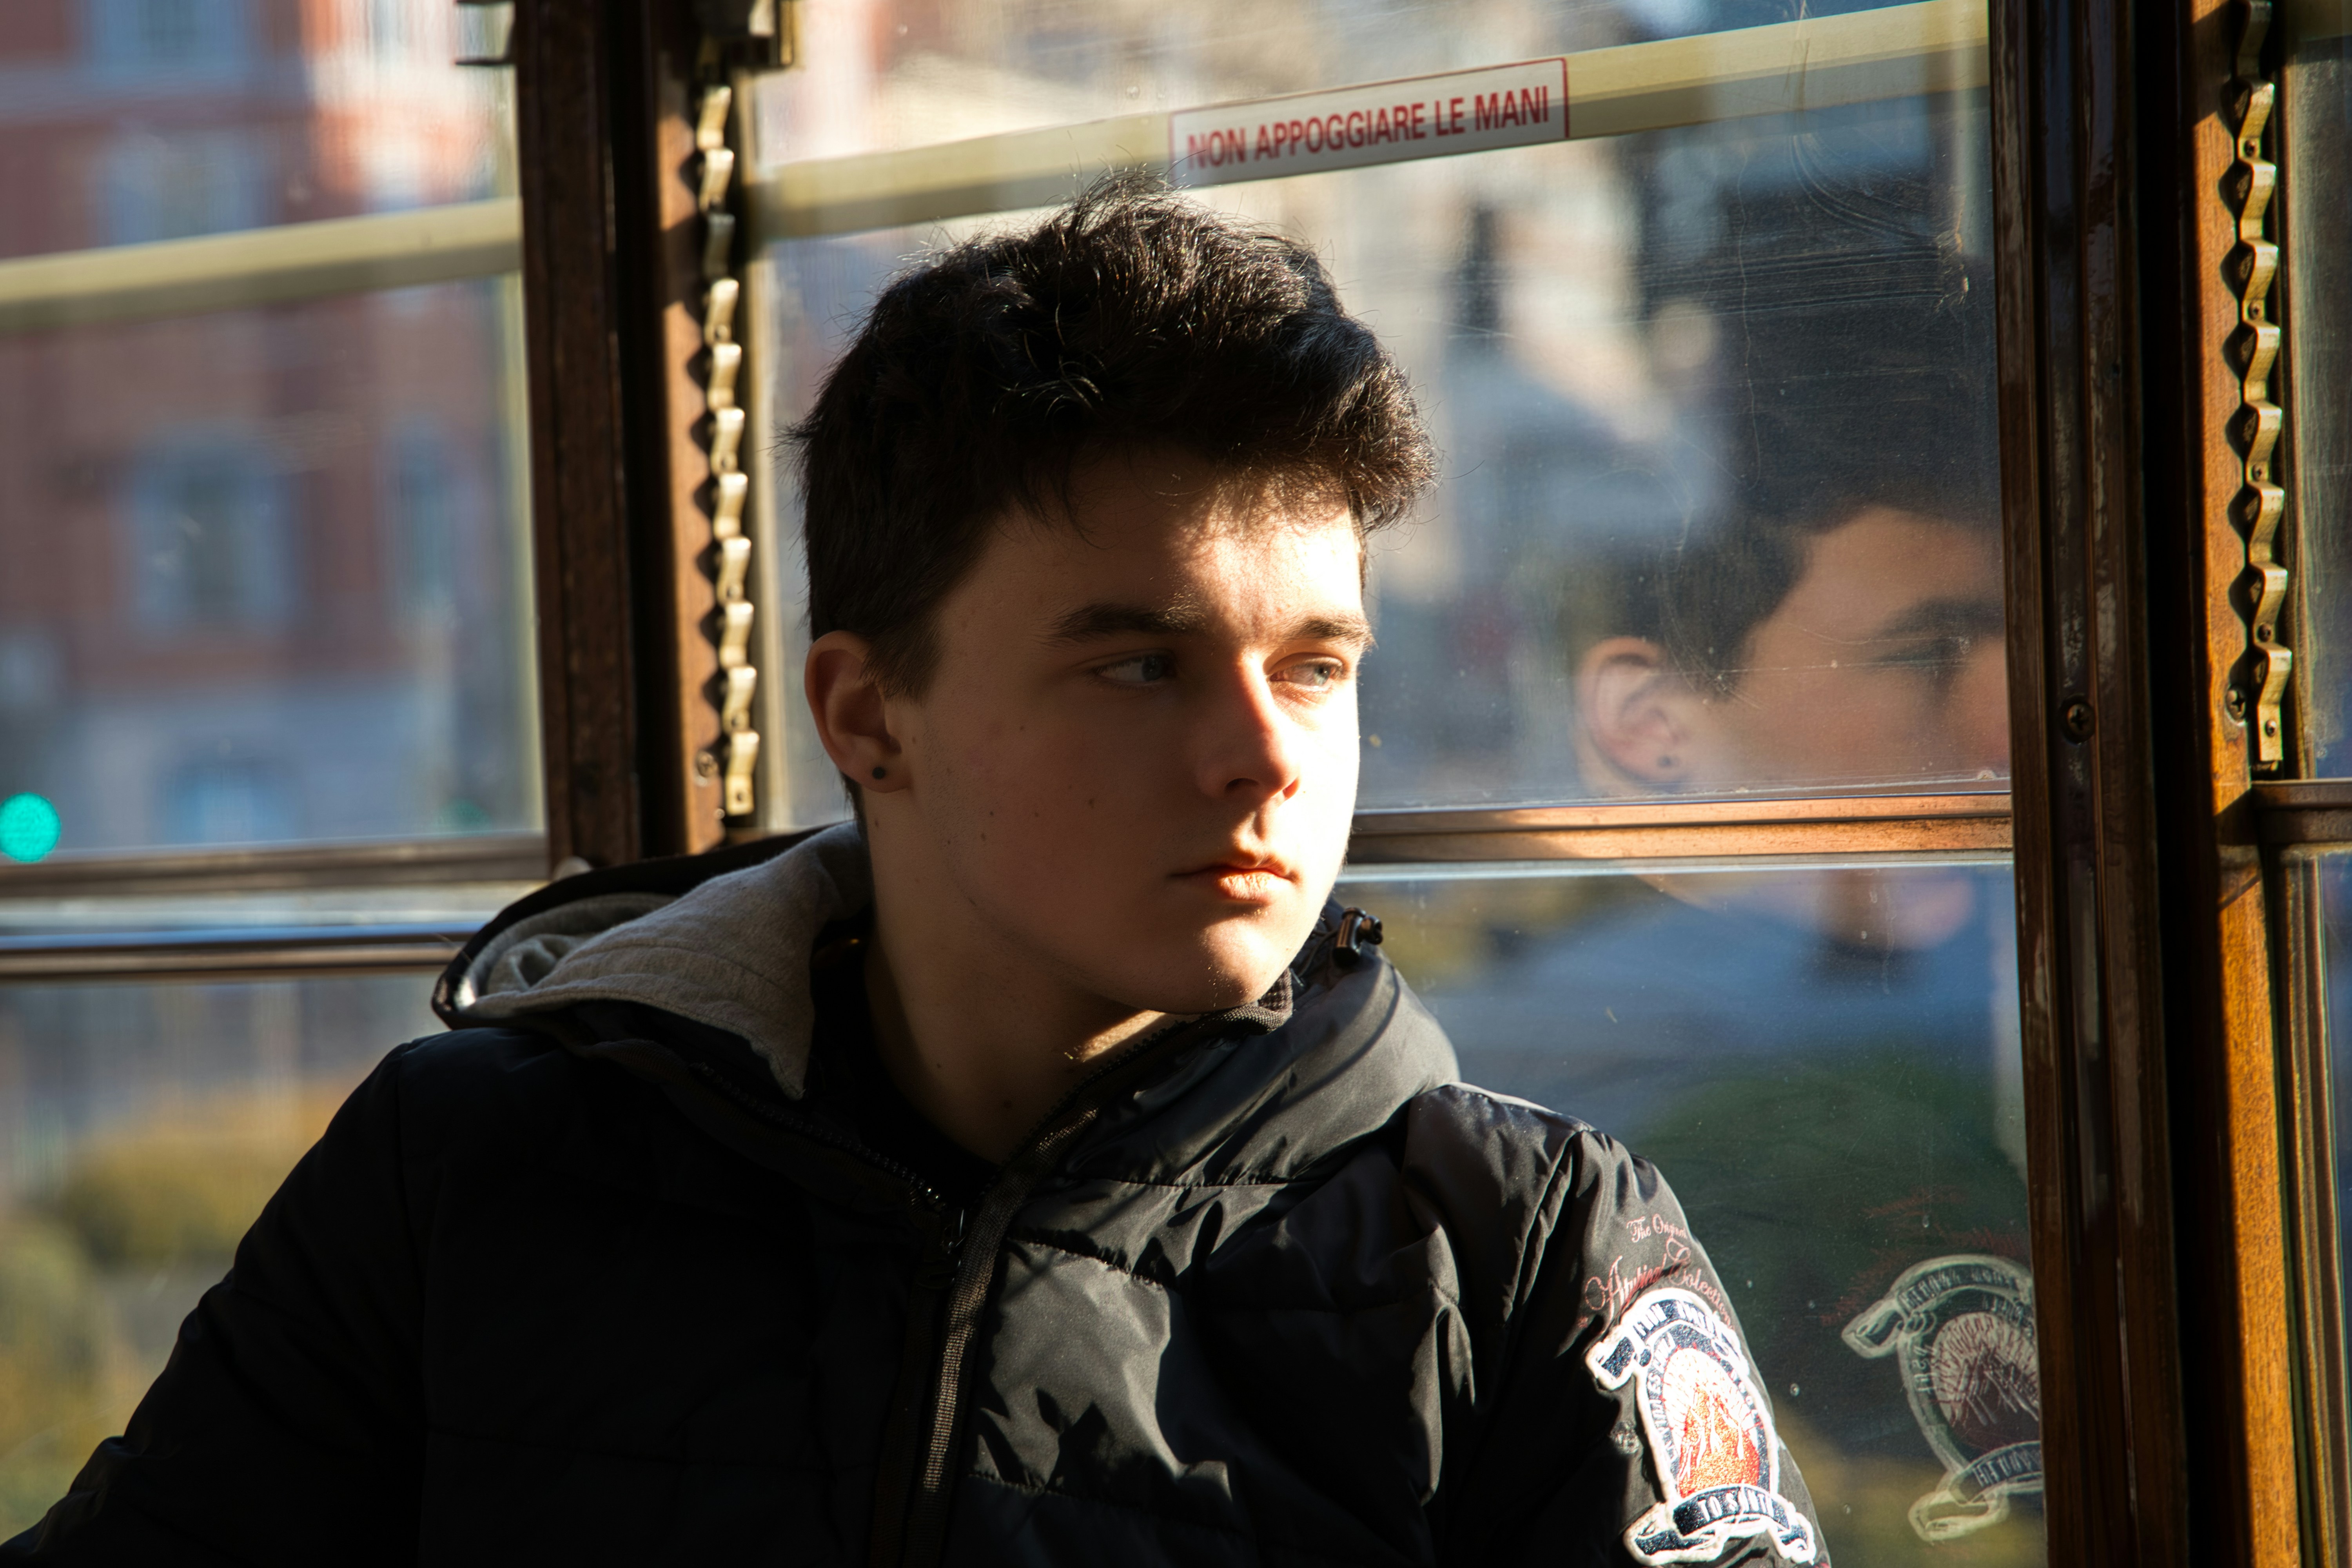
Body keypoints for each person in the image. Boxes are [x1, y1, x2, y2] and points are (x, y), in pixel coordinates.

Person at [2, 178, 1824, 1567]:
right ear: (870, 715)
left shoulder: (1526, 1253)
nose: (1267, 754)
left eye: (1318, 664)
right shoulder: (463, 1176)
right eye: (1139, 661)